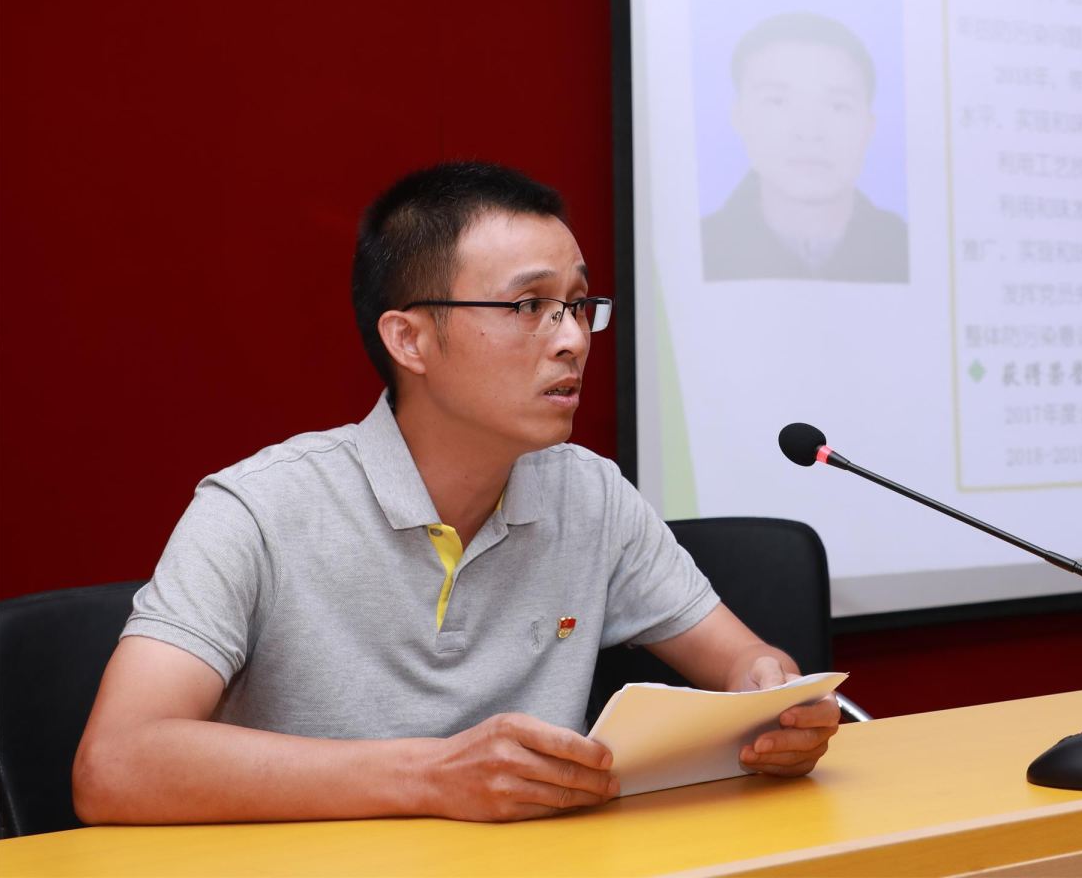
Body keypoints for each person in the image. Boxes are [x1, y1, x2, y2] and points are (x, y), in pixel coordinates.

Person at [73, 161, 839, 824]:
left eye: (578, 304)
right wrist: (432, 776)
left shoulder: (590, 494)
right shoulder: (258, 510)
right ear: (409, 339)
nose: (572, 338)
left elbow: (744, 661)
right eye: (528, 306)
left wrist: (775, 701)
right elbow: (114, 764)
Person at [702, 12, 908, 282]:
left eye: (838, 106)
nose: (809, 132)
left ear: (868, 127)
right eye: (777, 102)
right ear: (739, 118)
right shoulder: (697, 250)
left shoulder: (908, 250)